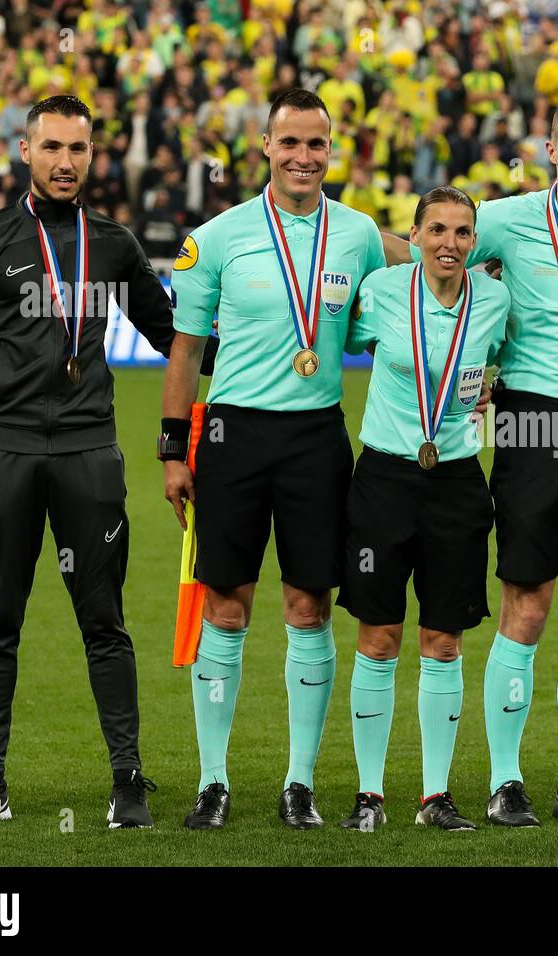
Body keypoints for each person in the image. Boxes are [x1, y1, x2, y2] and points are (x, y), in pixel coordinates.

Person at [0, 94, 216, 830]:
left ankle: (129, 781)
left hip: (90, 455)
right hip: (4, 453)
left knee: (106, 624)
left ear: (93, 155)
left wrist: (253, 342)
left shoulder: (112, 245)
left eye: (78, 149)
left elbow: (174, 340)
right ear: (26, 150)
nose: (65, 162)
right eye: (51, 147)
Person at [382, 93, 558, 827]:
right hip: (532, 420)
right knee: (528, 604)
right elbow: (429, 252)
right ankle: (506, 782)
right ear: (551, 150)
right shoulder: (504, 219)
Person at [160, 88, 385, 831]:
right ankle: (214, 780)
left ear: (331, 150)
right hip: (232, 439)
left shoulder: (357, 235)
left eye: (316, 144)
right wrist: (172, 450)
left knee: (309, 606)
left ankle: (299, 783)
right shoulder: (217, 238)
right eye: (290, 142)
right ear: (265, 146)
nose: (303, 157)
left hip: (317, 437)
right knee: (227, 606)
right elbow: (186, 350)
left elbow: (423, 275)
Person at [334, 186, 510, 833]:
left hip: (458, 484)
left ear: (474, 241)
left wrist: (490, 389)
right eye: (437, 230)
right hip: (382, 478)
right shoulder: (382, 292)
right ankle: (369, 795)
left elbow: (503, 363)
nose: (450, 243)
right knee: (378, 638)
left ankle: (435, 796)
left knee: (443, 640)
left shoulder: (494, 299)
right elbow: (343, 336)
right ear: (415, 237)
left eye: (463, 232)